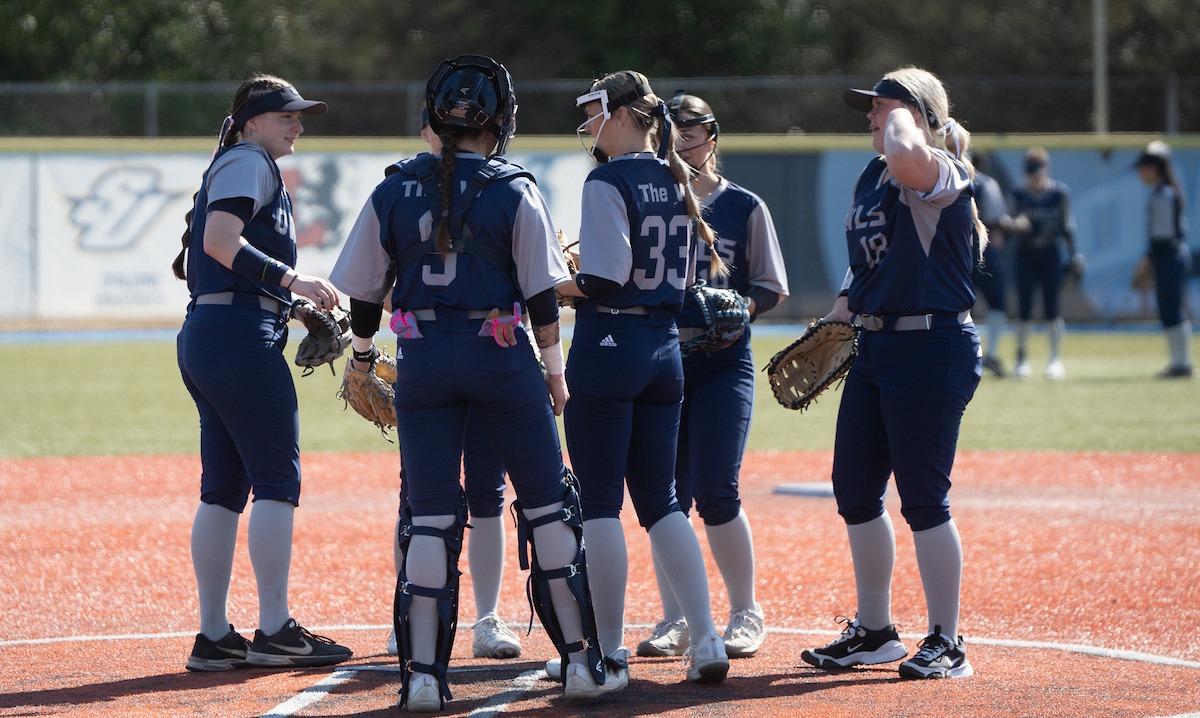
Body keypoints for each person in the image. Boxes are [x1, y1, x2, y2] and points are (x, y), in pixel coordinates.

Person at [330, 54, 616, 711]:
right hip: (501, 354)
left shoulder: (392, 188)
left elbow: (366, 296)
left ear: (433, 116)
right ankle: (579, 662)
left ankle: (426, 677)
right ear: (502, 118)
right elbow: (542, 296)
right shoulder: (516, 187)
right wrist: (555, 372)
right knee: (549, 504)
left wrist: (367, 357)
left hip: (424, 354)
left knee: (429, 516)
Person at [799, 67, 983, 680]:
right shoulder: (872, 177)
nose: (873, 117)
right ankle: (876, 631)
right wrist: (830, 324)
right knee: (854, 488)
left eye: (884, 107)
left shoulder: (938, 168)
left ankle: (947, 640)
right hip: (878, 348)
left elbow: (908, 152)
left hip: (935, 347)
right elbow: (863, 271)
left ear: (920, 117)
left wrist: (911, 117)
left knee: (925, 497)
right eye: (871, 109)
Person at [554, 70, 731, 685]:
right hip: (664, 347)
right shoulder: (674, 174)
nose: (589, 124)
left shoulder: (606, 179)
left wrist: (548, 284)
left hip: (609, 343)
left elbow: (602, 279)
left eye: (597, 111)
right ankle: (706, 637)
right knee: (662, 503)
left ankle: (607, 651)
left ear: (627, 115)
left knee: (601, 503)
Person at [173, 74, 354, 671]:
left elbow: (213, 255)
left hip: (214, 334)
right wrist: (291, 282)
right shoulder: (249, 161)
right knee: (277, 479)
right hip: (238, 339)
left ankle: (214, 635)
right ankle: (274, 628)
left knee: (223, 489)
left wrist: (288, 303)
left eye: (300, 116)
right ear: (253, 122)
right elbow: (221, 241)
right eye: (287, 116)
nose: (298, 125)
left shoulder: (240, 161)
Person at [634, 92, 789, 661]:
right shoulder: (649, 201)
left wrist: (738, 309)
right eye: (671, 132)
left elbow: (770, 287)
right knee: (663, 493)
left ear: (712, 137)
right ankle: (675, 615)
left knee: (717, 488)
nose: (681, 142)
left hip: (723, 362)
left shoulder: (744, 205)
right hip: (661, 361)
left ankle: (746, 610)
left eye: (692, 131)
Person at [382, 107, 522, 662]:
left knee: (458, 494)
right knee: (440, 496)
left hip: (440, 354)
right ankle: (419, 612)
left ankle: (477, 617)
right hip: (479, 353)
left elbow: (379, 290)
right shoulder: (501, 188)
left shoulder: (400, 189)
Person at [1005, 147, 1084, 379]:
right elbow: (1007, 224)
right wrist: (1015, 225)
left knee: (1052, 308)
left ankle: (1054, 359)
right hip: (1026, 253)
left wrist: (1074, 255)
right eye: (1030, 172)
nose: (1034, 177)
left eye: (1037, 172)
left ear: (1046, 169)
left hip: (1050, 253)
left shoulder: (1059, 194)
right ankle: (1021, 358)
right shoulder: (1018, 194)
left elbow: (1067, 226)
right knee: (1024, 309)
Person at [1134, 141, 1194, 378]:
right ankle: (1179, 362)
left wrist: (1147, 261)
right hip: (1172, 255)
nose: (1140, 172)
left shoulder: (1162, 195)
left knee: (1171, 310)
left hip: (1168, 256)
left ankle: (1182, 363)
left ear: (1154, 168)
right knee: (1170, 310)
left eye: (1143, 167)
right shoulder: (1168, 191)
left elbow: (1163, 237)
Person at [969, 151, 1012, 377]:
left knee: (960, 306)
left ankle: (967, 355)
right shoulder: (987, 183)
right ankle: (991, 354)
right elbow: (998, 221)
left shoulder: (944, 180)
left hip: (955, 255)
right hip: (985, 251)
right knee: (997, 303)